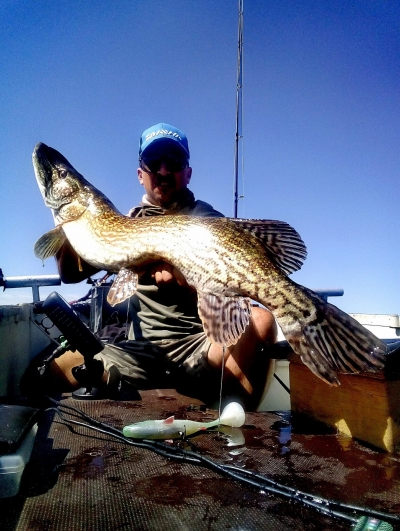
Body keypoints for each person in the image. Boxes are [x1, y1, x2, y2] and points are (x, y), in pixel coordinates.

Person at [38, 124, 278, 410]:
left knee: (262, 320)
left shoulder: (207, 220)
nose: (163, 171)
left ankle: (235, 430)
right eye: (154, 164)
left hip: (199, 346)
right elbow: (70, 274)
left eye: (174, 163)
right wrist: (66, 222)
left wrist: (190, 285)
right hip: (141, 351)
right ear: (141, 174)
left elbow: (235, 292)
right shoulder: (125, 221)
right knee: (46, 376)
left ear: (187, 173)